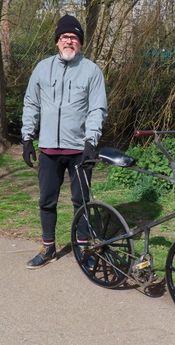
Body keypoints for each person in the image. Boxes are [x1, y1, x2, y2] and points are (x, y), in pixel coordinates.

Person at [21, 14, 108, 269]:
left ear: (80, 42)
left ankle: (84, 249)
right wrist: (27, 138)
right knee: (46, 200)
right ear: (57, 41)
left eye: (73, 37)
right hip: (48, 148)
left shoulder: (91, 70)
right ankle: (48, 248)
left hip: (80, 149)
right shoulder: (42, 68)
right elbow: (31, 103)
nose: (68, 41)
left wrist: (91, 141)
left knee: (81, 201)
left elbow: (97, 109)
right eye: (64, 37)